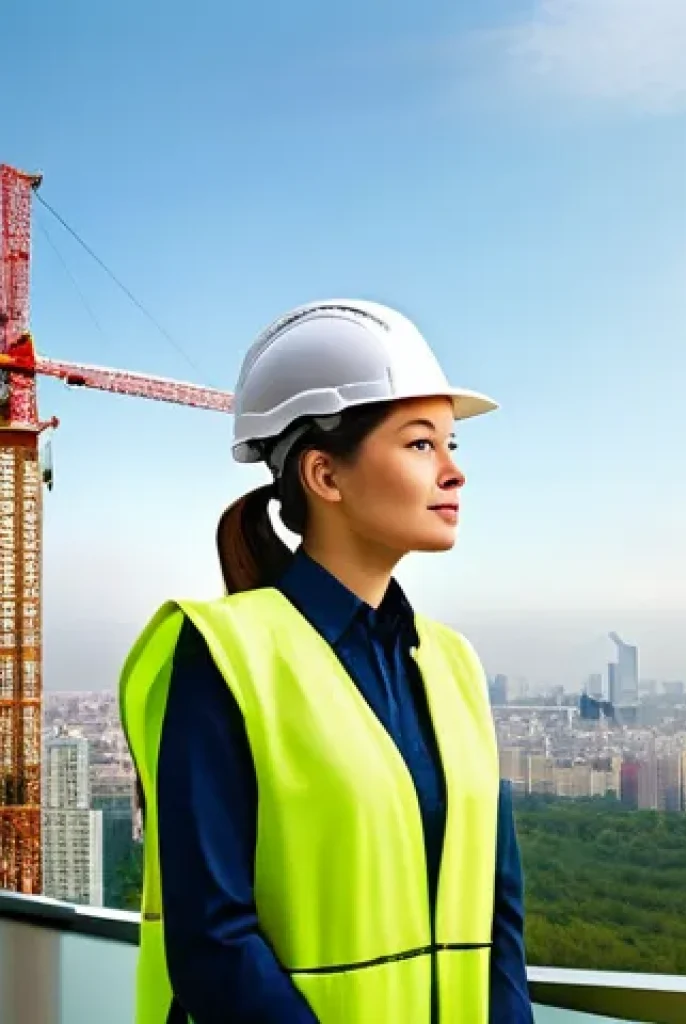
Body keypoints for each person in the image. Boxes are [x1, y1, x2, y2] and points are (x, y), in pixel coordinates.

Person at [119, 300, 534, 1024]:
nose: (454, 472)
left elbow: (498, 919)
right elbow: (213, 941)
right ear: (325, 474)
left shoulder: (454, 663)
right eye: (420, 444)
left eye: (451, 444)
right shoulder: (225, 653)